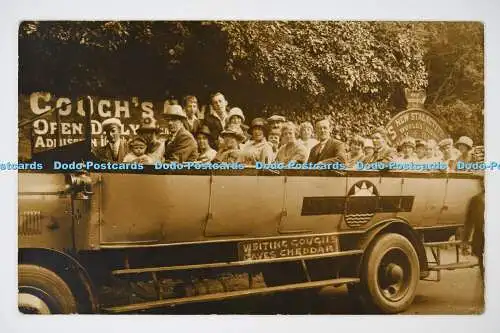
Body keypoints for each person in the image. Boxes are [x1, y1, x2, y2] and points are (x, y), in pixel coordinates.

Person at [462, 179, 485, 301]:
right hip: (481, 240)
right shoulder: (475, 201)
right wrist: (464, 242)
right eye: (482, 182)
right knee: (484, 269)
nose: (483, 184)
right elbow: (468, 222)